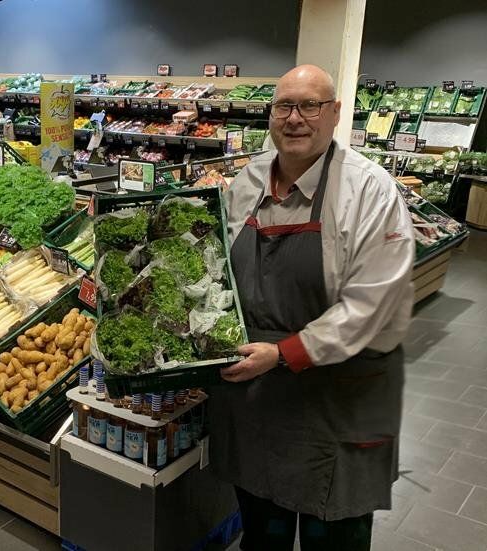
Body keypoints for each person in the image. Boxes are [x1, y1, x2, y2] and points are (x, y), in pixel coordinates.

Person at [211, 64, 415, 550]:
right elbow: (218, 265)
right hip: (261, 400)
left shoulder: (369, 190)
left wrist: (282, 354)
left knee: (335, 534)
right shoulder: (250, 179)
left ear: (335, 113)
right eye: (284, 106)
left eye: (310, 106)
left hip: (340, 394)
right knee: (263, 529)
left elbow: (373, 305)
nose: (295, 119)